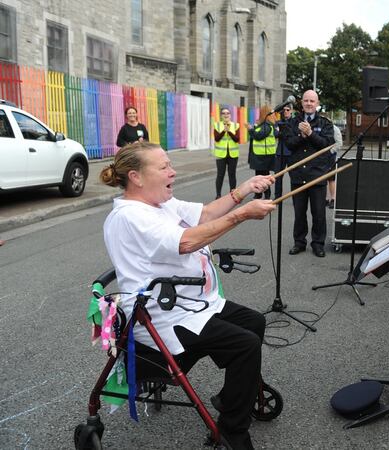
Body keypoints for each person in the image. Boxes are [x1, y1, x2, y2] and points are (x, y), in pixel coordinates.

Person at [99, 142, 275, 449]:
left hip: (192, 304)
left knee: (253, 322)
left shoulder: (160, 203)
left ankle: (230, 398)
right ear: (136, 177)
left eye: (170, 164)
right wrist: (242, 215)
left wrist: (244, 189)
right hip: (162, 314)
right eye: (164, 166)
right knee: (244, 345)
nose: (173, 171)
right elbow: (187, 242)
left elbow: (203, 215)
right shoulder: (130, 216)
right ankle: (232, 431)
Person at [278, 90, 335, 257]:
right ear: (301, 103)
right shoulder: (293, 122)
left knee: (318, 213)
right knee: (299, 213)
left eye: (312, 101)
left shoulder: (324, 123)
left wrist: (310, 134)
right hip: (298, 175)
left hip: (317, 175)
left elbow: (326, 145)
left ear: (317, 103)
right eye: (306, 101)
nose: (309, 103)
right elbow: (288, 143)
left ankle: (318, 243)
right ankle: (299, 242)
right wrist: (302, 136)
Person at [247, 106, 278, 199]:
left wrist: (250, 129)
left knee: (263, 177)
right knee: (260, 177)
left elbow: (259, 136)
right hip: (260, 155)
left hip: (264, 157)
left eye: (261, 112)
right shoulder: (264, 125)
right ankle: (259, 194)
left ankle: (266, 195)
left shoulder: (267, 125)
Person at [213, 108, 240, 199]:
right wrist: (224, 131)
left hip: (233, 154)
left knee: (232, 174)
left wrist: (229, 131)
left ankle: (233, 194)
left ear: (230, 115)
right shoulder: (217, 125)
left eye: (227, 113)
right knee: (220, 174)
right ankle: (218, 195)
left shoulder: (236, 125)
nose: (226, 115)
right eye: (223, 113)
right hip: (221, 154)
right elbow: (216, 138)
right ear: (221, 115)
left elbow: (237, 139)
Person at [273, 102, 295, 199]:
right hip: (280, 152)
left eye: (288, 110)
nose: (285, 112)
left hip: (291, 152)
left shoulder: (294, 122)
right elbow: (276, 134)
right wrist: (285, 133)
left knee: (294, 176)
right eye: (284, 110)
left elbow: (293, 135)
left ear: (291, 111)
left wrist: (283, 132)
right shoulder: (278, 122)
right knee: (278, 176)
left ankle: (295, 196)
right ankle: (277, 197)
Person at [327, 124, 343, 209]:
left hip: (330, 157)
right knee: (321, 178)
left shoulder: (334, 128)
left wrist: (329, 152)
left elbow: (339, 143)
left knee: (331, 179)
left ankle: (332, 199)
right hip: (319, 157)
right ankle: (324, 199)